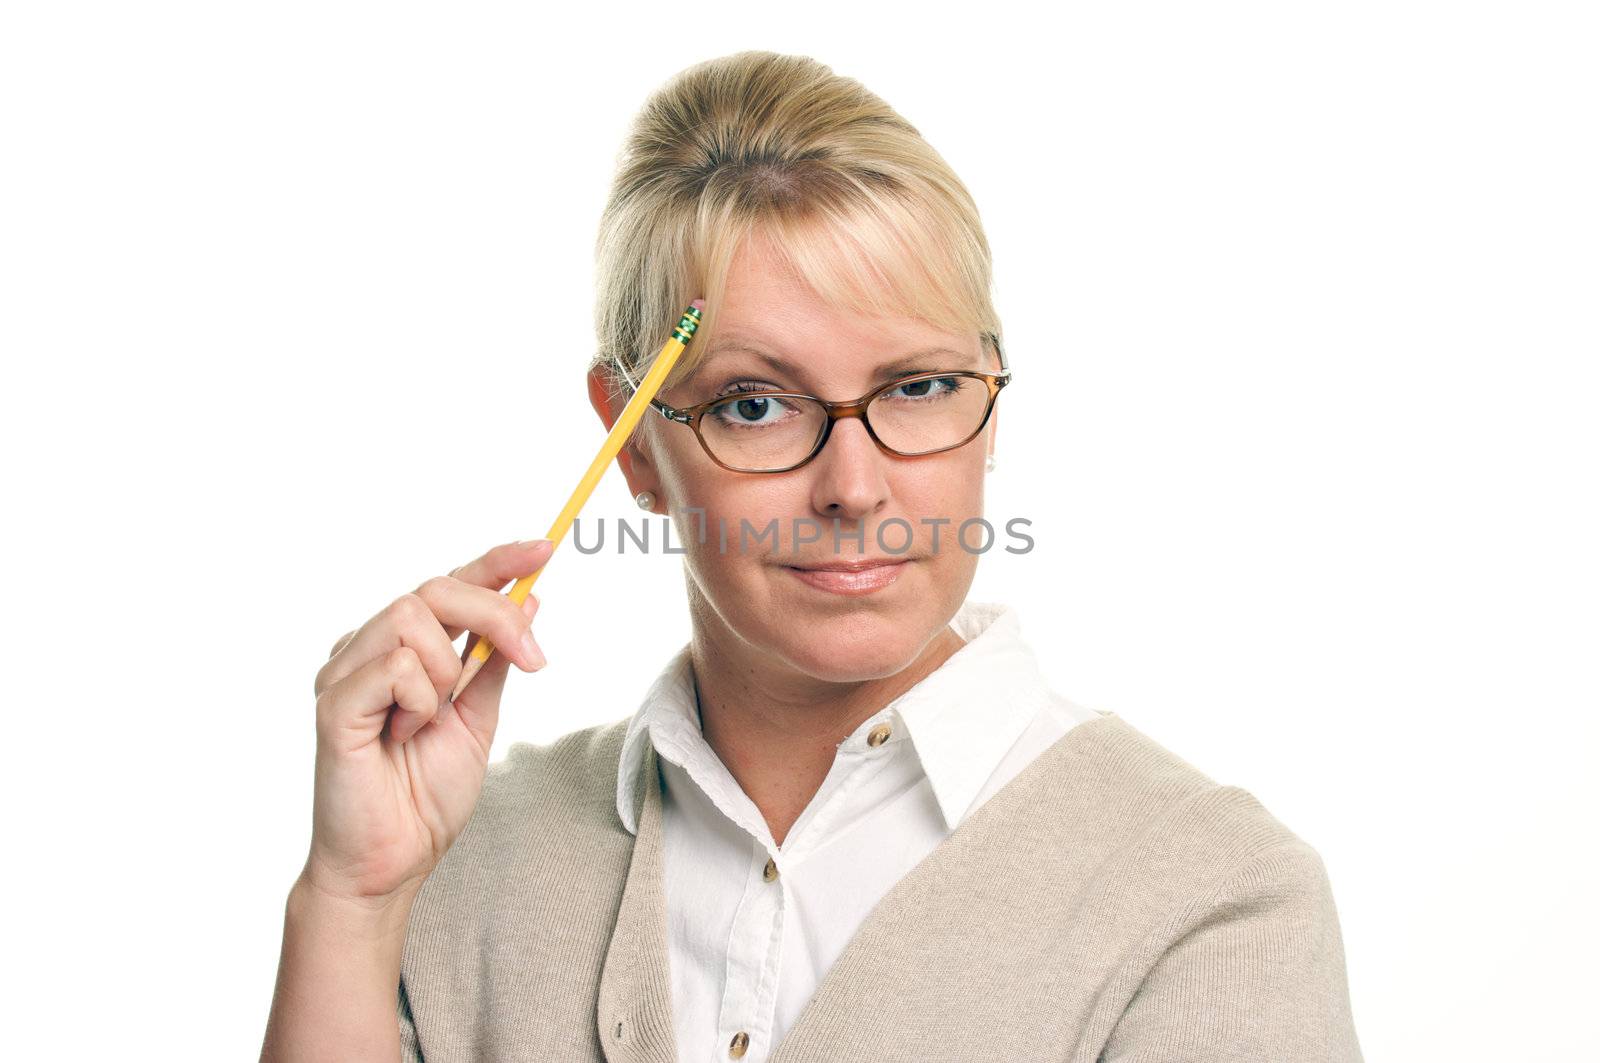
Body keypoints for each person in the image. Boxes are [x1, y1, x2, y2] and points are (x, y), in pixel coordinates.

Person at [260, 50, 1363, 1062]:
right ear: (631, 442)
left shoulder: (1211, 901)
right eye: (754, 404)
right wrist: (354, 904)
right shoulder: (458, 864)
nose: (852, 487)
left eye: (920, 387)